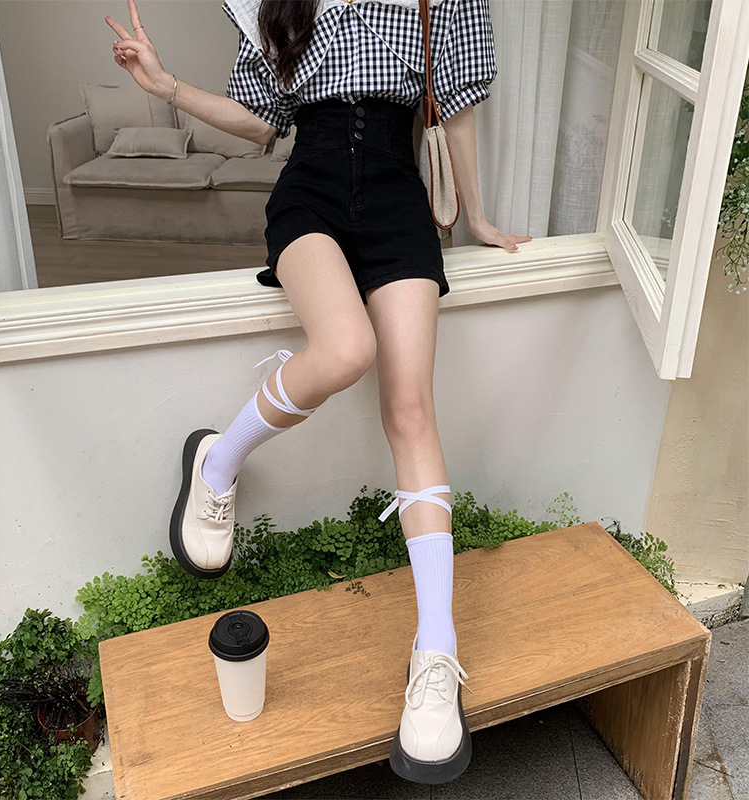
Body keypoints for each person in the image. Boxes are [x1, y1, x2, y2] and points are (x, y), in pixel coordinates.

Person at [106, 0, 530, 783]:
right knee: (345, 350)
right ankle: (217, 462)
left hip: (399, 198)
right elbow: (261, 122)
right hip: (311, 195)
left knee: (412, 408)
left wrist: (475, 217)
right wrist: (168, 88)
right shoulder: (282, 4)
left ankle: (436, 655)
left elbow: (458, 104)